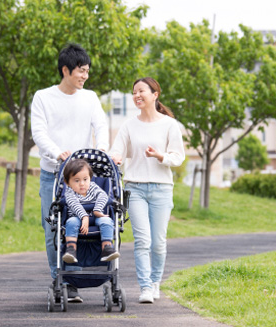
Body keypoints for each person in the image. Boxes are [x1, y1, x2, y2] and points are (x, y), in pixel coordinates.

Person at [31, 43, 109, 303]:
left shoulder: (90, 97)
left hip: (83, 178)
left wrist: (103, 151)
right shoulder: (43, 97)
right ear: (65, 70)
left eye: (87, 71)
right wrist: (58, 152)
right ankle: (61, 279)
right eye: (81, 71)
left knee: (84, 226)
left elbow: (101, 125)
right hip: (53, 173)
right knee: (53, 228)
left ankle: (76, 280)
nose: (85, 76)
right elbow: (39, 133)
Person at [109, 77, 185, 304]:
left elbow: (178, 157)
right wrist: (117, 157)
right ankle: (144, 287)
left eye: (141, 91)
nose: (137, 96)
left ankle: (154, 283)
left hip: (162, 189)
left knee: (158, 242)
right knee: (142, 240)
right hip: (135, 188)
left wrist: (160, 156)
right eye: (134, 92)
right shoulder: (128, 124)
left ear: (155, 94)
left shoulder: (170, 124)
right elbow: (117, 151)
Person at [62, 159, 119, 264]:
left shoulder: (93, 187)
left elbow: (103, 196)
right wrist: (84, 217)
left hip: (96, 216)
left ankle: (107, 248)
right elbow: (74, 205)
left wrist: (97, 210)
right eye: (76, 180)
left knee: (107, 221)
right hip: (78, 218)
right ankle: (71, 249)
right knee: (71, 222)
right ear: (67, 182)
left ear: (90, 178)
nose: (82, 184)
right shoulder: (69, 193)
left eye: (85, 179)